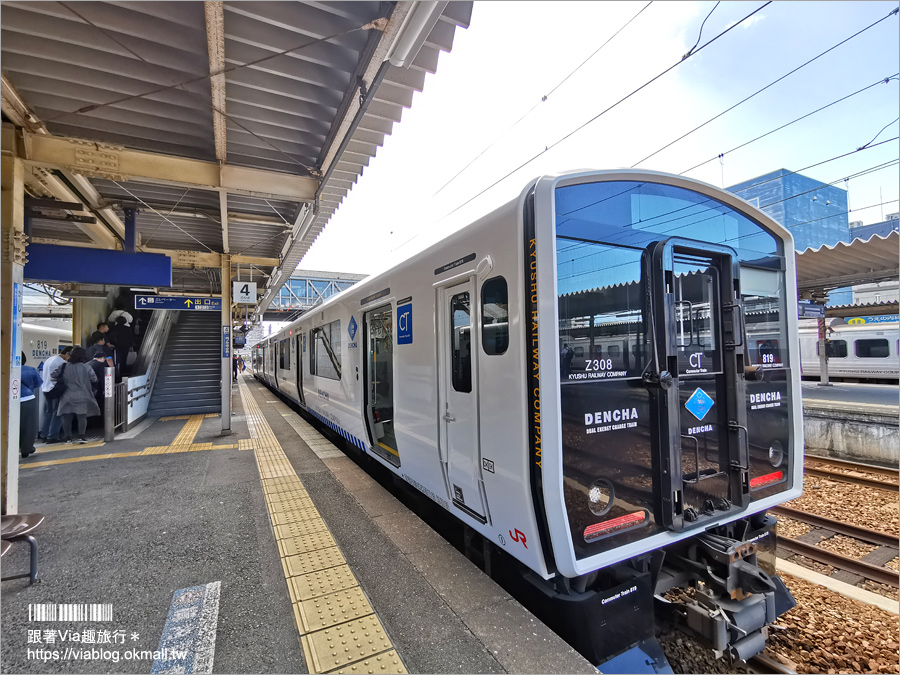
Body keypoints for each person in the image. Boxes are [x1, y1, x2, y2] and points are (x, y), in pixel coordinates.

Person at [53, 347, 100, 444]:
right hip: (82, 395)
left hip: (67, 395)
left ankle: (68, 438)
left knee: (67, 417)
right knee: (81, 417)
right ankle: (81, 436)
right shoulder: (86, 367)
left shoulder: (64, 366)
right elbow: (94, 379)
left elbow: (53, 375)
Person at [39, 345, 72, 443]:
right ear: (67, 354)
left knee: (48, 413)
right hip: (55, 389)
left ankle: (44, 434)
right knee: (57, 413)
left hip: (45, 389)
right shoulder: (61, 362)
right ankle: (52, 436)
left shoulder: (50, 359)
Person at [19, 353, 43, 458]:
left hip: (7, 401)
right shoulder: (30, 370)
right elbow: (38, 383)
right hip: (27, 399)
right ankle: (26, 448)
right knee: (29, 426)